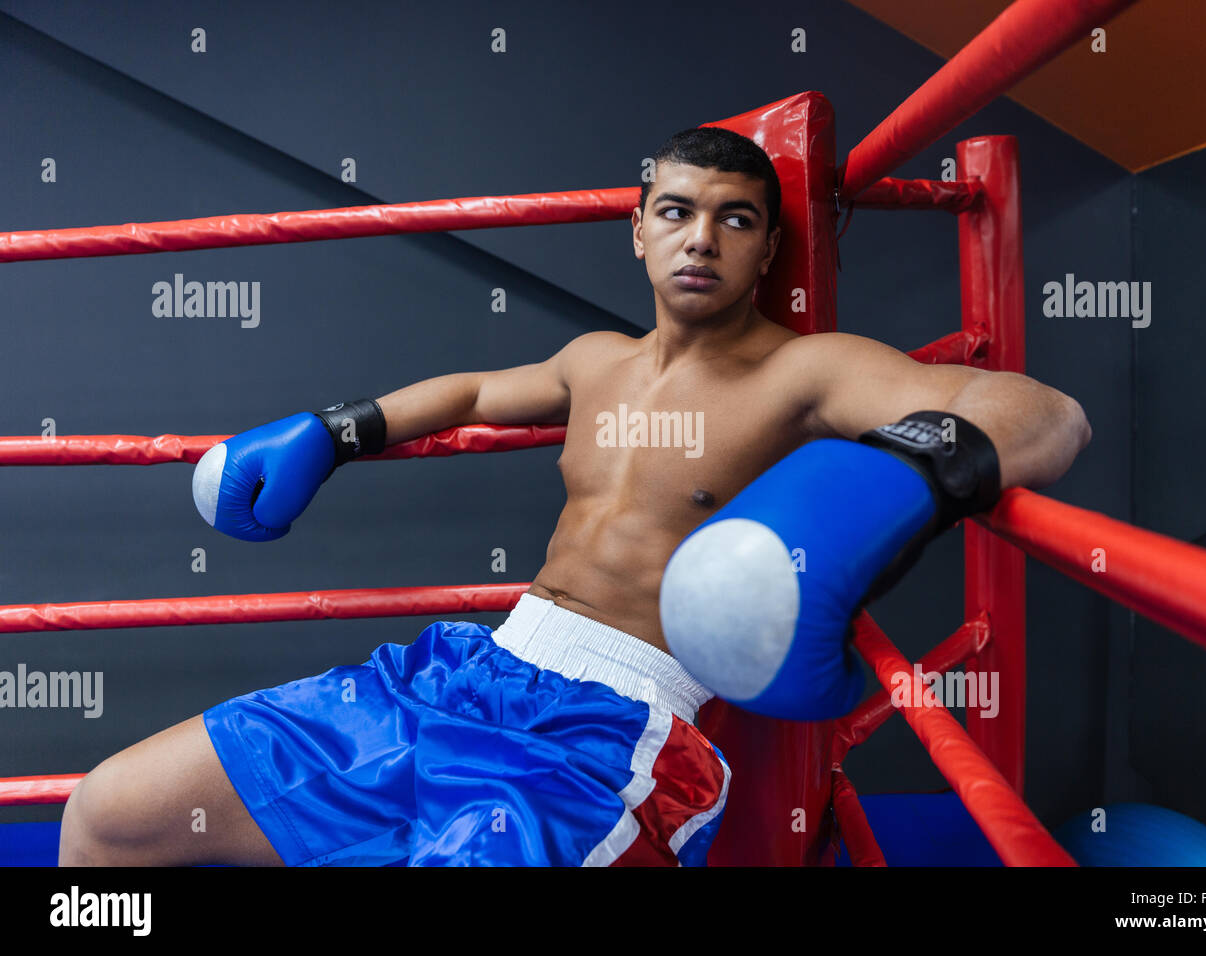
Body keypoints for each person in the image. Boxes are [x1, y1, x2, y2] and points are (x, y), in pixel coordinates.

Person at [57, 127, 1090, 866]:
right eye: (677, 213)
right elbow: (469, 390)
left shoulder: (804, 373)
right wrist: (336, 430)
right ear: (637, 233)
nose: (702, 239)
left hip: (606, 736)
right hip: (465, 673)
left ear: (765, 250)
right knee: (110, 817)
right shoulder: (594, 359)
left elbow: (1043, 413)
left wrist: (902, 469)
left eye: (736, 221)